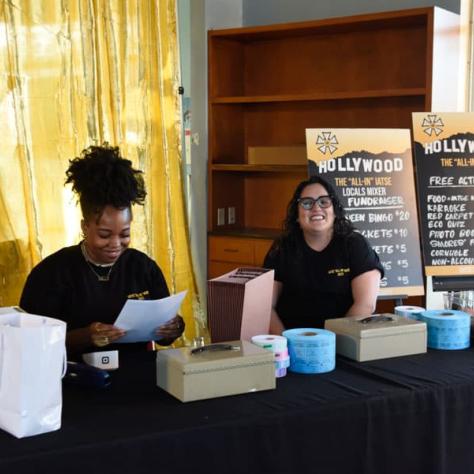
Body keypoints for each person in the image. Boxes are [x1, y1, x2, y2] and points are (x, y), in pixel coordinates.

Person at [20, 144, 184, 356]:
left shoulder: (143, 268)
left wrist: (175, 327)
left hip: (138, 375)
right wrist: (86, 337)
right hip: (75, 378)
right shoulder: (52, 274)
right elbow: (31, 343)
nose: (116, 244)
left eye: (124, 234)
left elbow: (164, 337)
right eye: (105, 235)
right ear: (84, 226)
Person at [263, 175, 384, 334]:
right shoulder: (282, 248)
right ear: (297, 216)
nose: (316, 208)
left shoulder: (355, 245)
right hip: (292, 343)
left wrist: (331, 345)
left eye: (324, 201)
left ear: (334, 211)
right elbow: (266, 307)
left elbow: (365, 304)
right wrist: (284, 345)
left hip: (343, 342)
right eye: (307, 203)